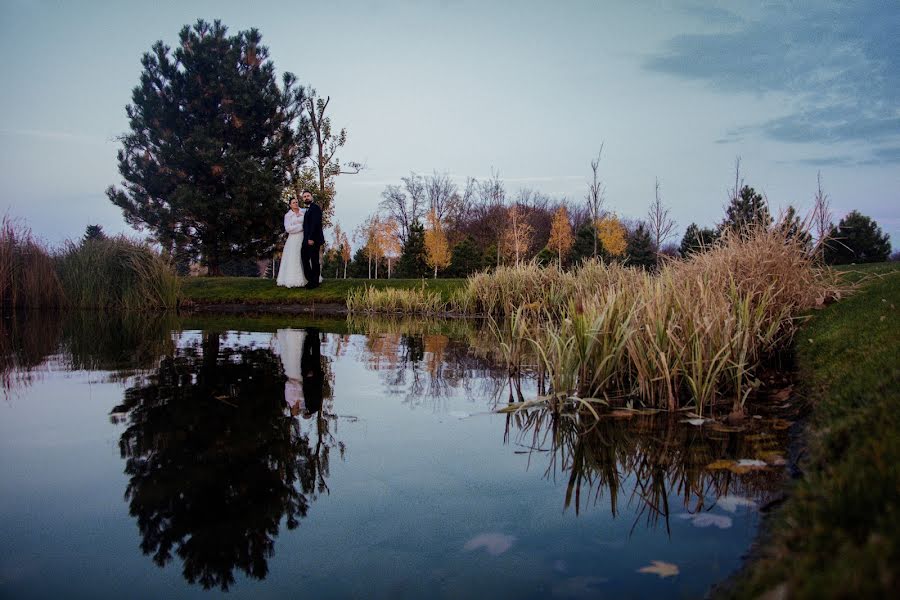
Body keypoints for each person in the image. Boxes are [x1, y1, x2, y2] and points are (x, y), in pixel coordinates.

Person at [276, 197, 308, 288]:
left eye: (296, 202)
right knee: (294, 257)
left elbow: (308, 223)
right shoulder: (288, 215)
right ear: (290, 205)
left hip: (303, 237)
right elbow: (288, 229)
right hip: (293, 239)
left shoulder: (304, 212)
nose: (295, 204)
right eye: (293, 202)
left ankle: (307, 278)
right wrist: (301, 226)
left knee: (304, 257)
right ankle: (293, 279)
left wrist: (297, 226)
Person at [300, 190, 325, 289]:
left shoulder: (315, 208)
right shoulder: (307, 210)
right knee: (305, 259)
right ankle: (311, 280)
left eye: (308, 196)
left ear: (312, 197)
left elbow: (315, 224)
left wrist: (311, 238)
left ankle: (314, 282)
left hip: (313, 239)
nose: (306, 198)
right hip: (306, 239)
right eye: (304, 196)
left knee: (314, 260)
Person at [300, 327, 324, 418]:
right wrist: (312, 377)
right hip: (312, 376)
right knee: (310, 354)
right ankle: (312, 334)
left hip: (311, 376)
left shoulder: (311, 406)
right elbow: (314, 391)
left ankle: (312, 334)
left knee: (312, 353)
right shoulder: (312, 405)